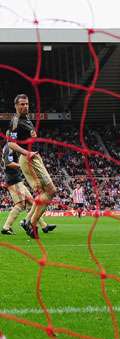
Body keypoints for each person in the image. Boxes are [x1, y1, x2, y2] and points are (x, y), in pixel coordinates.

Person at [6, 94, 57, 239]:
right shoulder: (15, 121)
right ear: (15, 106)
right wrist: (26, 152)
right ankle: (30, 223)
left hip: (34, 157)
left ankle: (28, 222)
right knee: (51, 191)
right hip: (28, 158)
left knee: (45, 193)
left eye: (27, 104)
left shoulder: (26, 119)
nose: (25, 106)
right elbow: (10, 143)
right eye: (22, 104)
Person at [1, 143, 56, 235]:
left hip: (16, 179)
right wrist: (21, 165)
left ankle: (43, 226)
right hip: (13, 179)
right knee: (20, 204)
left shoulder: (9, 147)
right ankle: (6, 227)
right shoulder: (9, 147)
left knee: (32, 201)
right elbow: (8, 163)